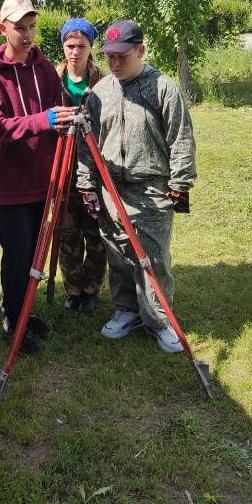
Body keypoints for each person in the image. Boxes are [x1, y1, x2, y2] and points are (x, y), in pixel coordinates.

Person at [77, 19, 196, 353]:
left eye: (122, 56)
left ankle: (159, 320)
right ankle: (127, 310)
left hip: (151, 189)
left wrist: (180, 182)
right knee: (118, 254)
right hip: (111, 189)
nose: (114, 63)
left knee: (153, 258)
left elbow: (181, 137)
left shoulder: (162, 88)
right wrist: (86, 184)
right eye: (109, 56)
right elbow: (87, 144)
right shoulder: (100, 92)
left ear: (140, 51)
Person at [0, 0, 76, 354]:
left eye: (32, 26)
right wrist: (43, 120)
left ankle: (25, 312)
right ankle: (11, 320)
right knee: (16, 254)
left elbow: (59, 106)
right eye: (20, 27)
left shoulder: (45, 68)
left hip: (44, 179)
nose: (29, 34)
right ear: (4, 28)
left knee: (35, 251)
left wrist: (66, 115)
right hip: (11, 181)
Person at [56, 17, 107, 312]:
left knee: (96, 232)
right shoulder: (53, 79)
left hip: (96, 170)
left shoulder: (103, 82)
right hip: (61, 168)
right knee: (67, 233)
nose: (75, 51)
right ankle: (72, 289)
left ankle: (92, 288)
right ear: (63, 46)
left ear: (91, 47)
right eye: (70, 45)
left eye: (81, 46)